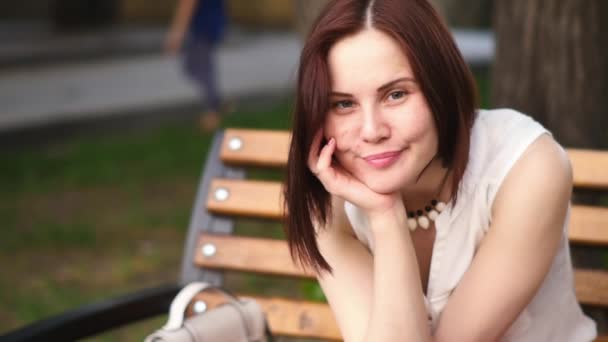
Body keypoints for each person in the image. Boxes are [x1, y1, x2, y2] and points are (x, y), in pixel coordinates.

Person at [283, 0, 597, 341]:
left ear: (441, 87)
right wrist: (386, 215)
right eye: (343, 104)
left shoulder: (527, 168)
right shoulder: (330, 204)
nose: (372, 130)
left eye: (396, 95)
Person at [166, 0, 227, 131]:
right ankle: (215, 106)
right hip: (212, 22)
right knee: (199, 67)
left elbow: (187, 4)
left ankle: (213, 112)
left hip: (202, 26)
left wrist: (177, 34)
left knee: (200, 68)